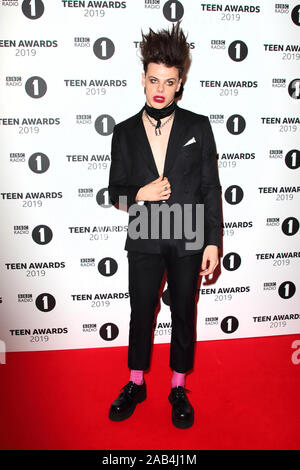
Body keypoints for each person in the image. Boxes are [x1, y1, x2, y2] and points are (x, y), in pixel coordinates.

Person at [108, 23, 222, 429]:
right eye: (153, 79)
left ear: (179, 85)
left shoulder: (198, 126)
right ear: (143, 79)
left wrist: (213, 242)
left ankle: (177, 386)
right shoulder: (122, 132)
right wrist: (141, 192)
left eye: (169, 81)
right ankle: (135, 382)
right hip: (143, 228)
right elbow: (114, 194)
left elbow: (210, 186)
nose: (160, 88)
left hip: (189, 230)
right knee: (141, 312)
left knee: (183, 316)